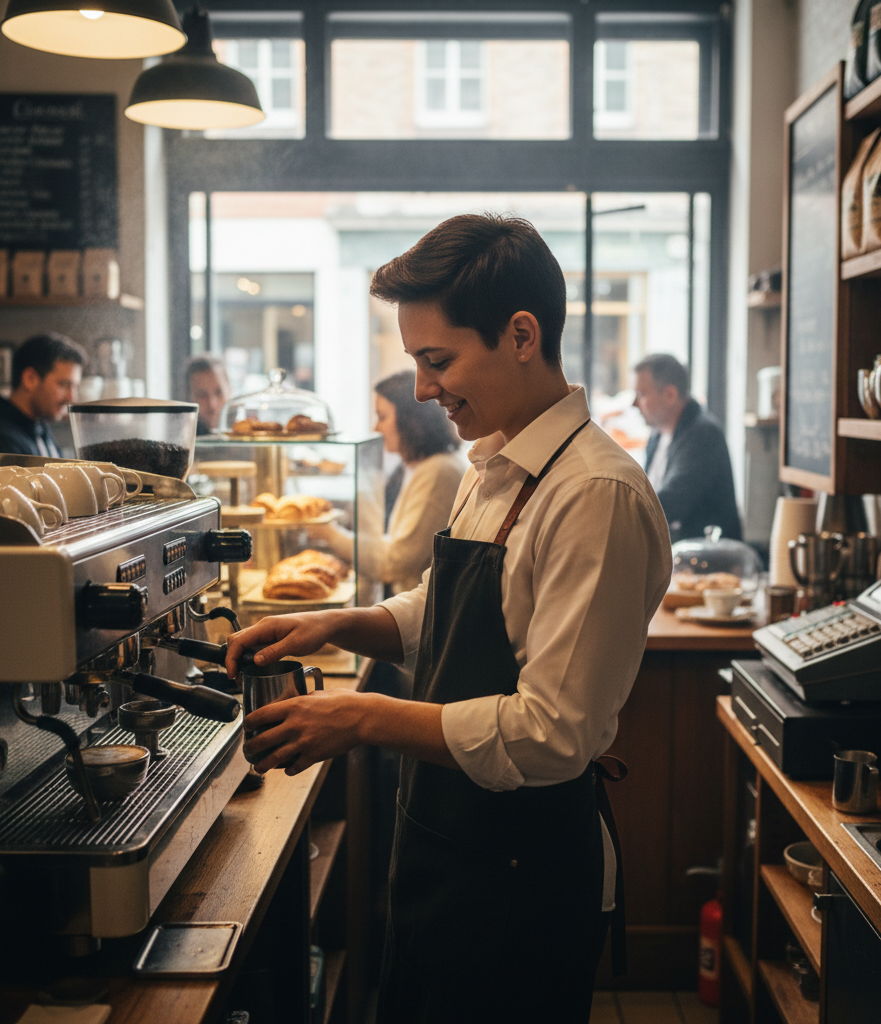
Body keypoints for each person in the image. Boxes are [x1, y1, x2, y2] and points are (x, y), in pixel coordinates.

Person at [224, 214, 671, 1024]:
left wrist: (361, 715)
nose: (426, 389)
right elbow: (448, 607)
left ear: (522, 334)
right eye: (418, 364)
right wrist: (336, 625)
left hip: (520, 880)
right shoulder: (495, 466)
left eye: (439, 361)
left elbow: (551, 734)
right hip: (449, 850)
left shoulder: (594, 496)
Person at [313, 369, 465, 596]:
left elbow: (393, 563)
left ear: (410, 419)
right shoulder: (416, 466)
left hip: (419, 614)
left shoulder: (439, 471)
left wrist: (330, 534)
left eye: (382, 417)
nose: (376, 428)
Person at [633, 352, 742, 543]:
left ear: (670, 395)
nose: (634, 404)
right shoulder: (657, 434)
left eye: (641, 395)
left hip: (707, 559)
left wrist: (621, 514)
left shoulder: (703, 434)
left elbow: (671, 502)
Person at [0, 333, 85, 457]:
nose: (71, 398)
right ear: (30, 378)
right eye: (64, 384)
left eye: (75, 387)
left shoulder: (38, 427)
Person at [184, 354, 231, 435]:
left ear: (230, 390)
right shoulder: (184, 440)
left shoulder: (249, 432)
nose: (212, 404)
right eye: (202, 395)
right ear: (190, 397)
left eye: (219, 392)